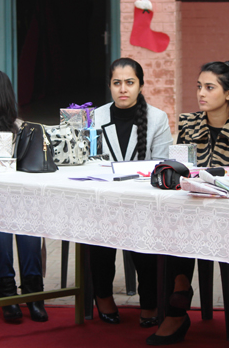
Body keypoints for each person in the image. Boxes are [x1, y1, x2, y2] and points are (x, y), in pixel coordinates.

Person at [147, 61, 229, 345]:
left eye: (210, 87)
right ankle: (178, 299)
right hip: (190, 208)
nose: (201, 93)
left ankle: (178, 301)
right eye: (199, 86)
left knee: (182, 222)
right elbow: (179, 168)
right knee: (171, 221)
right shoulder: (188, 122)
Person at [91, 58, 173, 326]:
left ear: (140, 85)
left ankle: (149, 300)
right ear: (110, 86)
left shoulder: (157, 118)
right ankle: (102, 295)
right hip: (103, 198)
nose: (123, 89)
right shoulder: (95, 117)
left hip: (142, 200)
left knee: (145, 234)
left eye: (129, 82)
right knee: (97, 231)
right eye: (117, 83)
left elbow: (161, 165)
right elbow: (86, 162)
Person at [0, 67, 48, 323]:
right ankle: (7, 293)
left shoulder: (20, 129)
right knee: (1, 229)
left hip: (17, 200)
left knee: (28, 225)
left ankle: (34, 294)